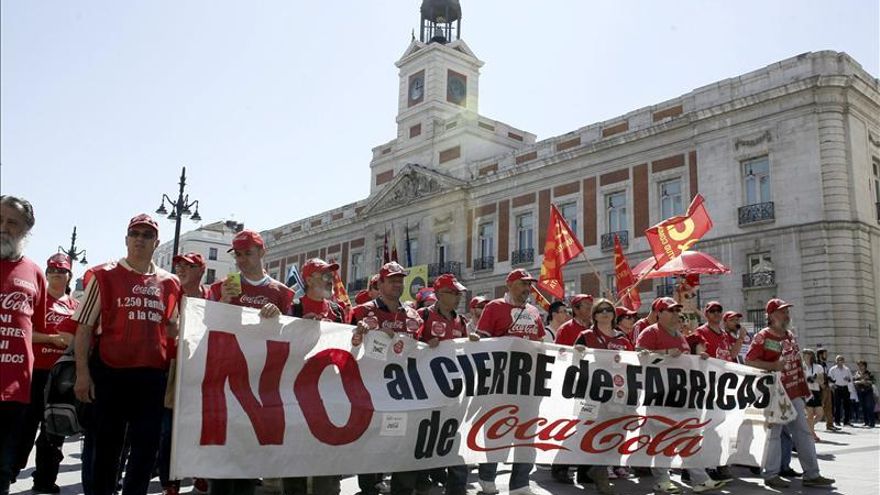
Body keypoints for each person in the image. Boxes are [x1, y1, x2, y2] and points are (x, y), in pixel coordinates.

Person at [71, 214, 182, 495]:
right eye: (135, 234)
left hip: (151, 376)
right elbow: (83, 329)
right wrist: (82, 374)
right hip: (111, 373)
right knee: (107, 448)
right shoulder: (103, 275)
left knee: (146, 448)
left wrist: (174, 328)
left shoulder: (170, 283)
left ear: (156, 243)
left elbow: (172, 331)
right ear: (126, 239)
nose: (140, 239)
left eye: (147, 235)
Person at [206, 229, 294, 495]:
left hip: (262, 382)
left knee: (249, 453)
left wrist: (280, 317)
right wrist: (222, 303)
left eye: (248, 253)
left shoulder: (281, 292)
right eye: (239, 255)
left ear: (262, 253)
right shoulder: (221, 286)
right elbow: (206, 326)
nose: (243, 260)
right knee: (224, 454)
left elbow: (291, 335)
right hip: (227, 379)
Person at [635, 297, 725, 494]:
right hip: (659, 395)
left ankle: (700, 478)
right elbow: (639, 357)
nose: (676, 314)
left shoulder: (679, 334)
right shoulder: (649, 332)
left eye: (677, 311)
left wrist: (698, 358)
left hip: (683, 395)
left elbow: (685, 360)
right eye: (671, 311)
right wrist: (665, 352)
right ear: (659, 313)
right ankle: (662, 479)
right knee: (662, 438)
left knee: (690, 436)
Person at [471, 269, 549, 495]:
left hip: (530, 383)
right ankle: (487, 478)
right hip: (500, 382)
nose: (527, 289)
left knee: (527, 434)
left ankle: (520, 483)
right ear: (510, 284)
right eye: (523, 284)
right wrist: (477, 340)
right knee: (496, 430)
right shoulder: (494, 307)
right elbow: (482, 341)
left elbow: (541, 341)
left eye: (529, 285)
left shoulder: (534, 311)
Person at [744, 298, 835, 489]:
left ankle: (812, 474)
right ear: (771, 316)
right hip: (775, 393)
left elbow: (796, 361)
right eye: (782, 311)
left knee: (803, 432)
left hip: (794, 392)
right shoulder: (763, 336)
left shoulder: (790, 335)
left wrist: (804, 388)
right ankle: (771, 474)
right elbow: (749, 360)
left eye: (787, 311)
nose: (786, 314)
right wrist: (773, 366)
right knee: (774, 434)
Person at [351, 262, 423, 495]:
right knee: (371, 443)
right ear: (379, 283)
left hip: (404, 393)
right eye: (391, 279)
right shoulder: (361, 312)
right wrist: (359, 333)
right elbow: (345, 346)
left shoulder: (413, 315)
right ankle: (369, 488)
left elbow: (423, 350)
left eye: (399, 279)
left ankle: (403, 489)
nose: (397, 283)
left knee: (401, 444)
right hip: (371, 392)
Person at [13, 254, 78, 492]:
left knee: (55, 430)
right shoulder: (37, 300)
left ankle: (45, 479)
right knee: (24, 428)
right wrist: (51, 338)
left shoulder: (75, 306)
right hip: (34, 373)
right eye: (51, 270)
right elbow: (22, 332)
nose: (56, 274)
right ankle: (10, 471)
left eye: (61, 271)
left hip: (62, 377)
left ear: (70, 275)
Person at [282, 258, 344, 495]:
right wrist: (296, 329)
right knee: (296, 463)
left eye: (330, 275)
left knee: (327, 466)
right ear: (308, 279)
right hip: (297, 396)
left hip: (331, 397)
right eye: (324, 275)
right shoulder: (293, 308)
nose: (330, 279)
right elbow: (278, 345)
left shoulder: (338, 311)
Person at [0, 196, 48, 495]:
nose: (3, 227)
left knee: (3, 467)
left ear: (26, 230)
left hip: (14, 389)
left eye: (12, 222)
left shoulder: (35, 273)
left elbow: (35, 328)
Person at [414, 273, 470, 495]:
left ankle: (457, 487)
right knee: (423, 438)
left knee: (455, 438)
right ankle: (422, 481)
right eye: (452, 293)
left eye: (459, 293)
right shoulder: (422, 316)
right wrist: (424, 345)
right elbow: (408, 346)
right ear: (438, 294)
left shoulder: (461, 321)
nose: (457, 297)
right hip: (425, 390)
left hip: (454, 392)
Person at [572, 298, 634, 495]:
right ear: (595, 315)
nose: (605, 313)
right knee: (592, 434)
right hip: (591, 394)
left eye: (609, 310)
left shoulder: (623, 339)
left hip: (618, 394)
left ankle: (597, 470)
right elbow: (573, 362)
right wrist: (578, 353)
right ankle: (600, 476)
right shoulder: (585, 335)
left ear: (614, 315)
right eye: (600, 310)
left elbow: (632, 368)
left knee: (614, 435)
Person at [802, 349, 825, 441]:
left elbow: (822, 381)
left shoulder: (818, 367)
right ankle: (812, 434)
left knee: (820, 414)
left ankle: (808, 428)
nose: (807, 356)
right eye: (805, 354)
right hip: (806, 391)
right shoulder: (801, 366)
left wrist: (814, 379)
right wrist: (806, 379)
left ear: (812, 356)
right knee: (810, 414)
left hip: (815, 391)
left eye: (808, 354)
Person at [815, 347, 839, 431]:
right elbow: (816, 376)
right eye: (825, 353)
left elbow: (825, 375)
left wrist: (831, 380)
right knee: (819, 406)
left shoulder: (824, 364)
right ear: (820, 354)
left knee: (829, 406)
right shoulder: (817, 364)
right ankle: (811, 424)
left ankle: (830, 424)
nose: (827, 355)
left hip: (827, 387)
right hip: (821, 388)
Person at [827, 355, 854, 427]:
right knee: (837, 405)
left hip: (845, 388)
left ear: (843, 361)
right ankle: (837, 421)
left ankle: (846, 421)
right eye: (839, 360)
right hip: (837, 388)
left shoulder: (847, 369)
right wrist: (832, 387)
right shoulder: (832, 369)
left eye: (841, 360)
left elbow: (850, 379)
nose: (840, 361)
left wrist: (848, 379)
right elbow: (829, 379)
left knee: (847, 406)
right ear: (836, 361)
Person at [854, 360, 876, 428]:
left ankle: (872, 422)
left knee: (869, 407)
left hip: (868, 391)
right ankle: (866, 422)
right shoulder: (857, 373)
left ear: (865, 366)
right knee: (863, 407)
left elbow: (873, 381)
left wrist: (866, 381)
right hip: (860, 392)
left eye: (862, 365)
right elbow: (854, 380)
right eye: (859, 365)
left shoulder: (869, 373)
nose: (860, 367)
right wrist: (858, 382)